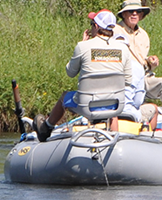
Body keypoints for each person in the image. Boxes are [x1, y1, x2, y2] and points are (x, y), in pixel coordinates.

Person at [35, 10, 137, 141]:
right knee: (112, 108)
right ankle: (113, 139)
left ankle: (46, 128)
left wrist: (82, 44)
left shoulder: (83, 46)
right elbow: (128, 80)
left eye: (91, 24)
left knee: (64, 97)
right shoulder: (123, 49)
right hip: (114, 105)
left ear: (96, 26)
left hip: (86, 105)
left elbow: (70, 72)